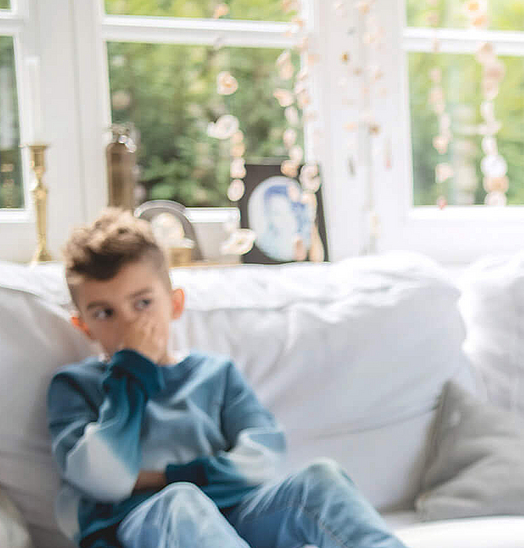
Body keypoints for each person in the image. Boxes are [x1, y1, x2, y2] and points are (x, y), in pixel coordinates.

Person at [46, 209, 404, 548]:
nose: (130, 326)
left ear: (174, 303)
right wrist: (132, 370)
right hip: (138, 529)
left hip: (236, 519)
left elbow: (264, 459)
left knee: (320, 479)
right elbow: (105, 480)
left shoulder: (214, 374)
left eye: (142, 304)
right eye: (105, 313)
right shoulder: (74, 386)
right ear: (83, 326)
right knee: (181, 501)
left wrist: (157, 478)